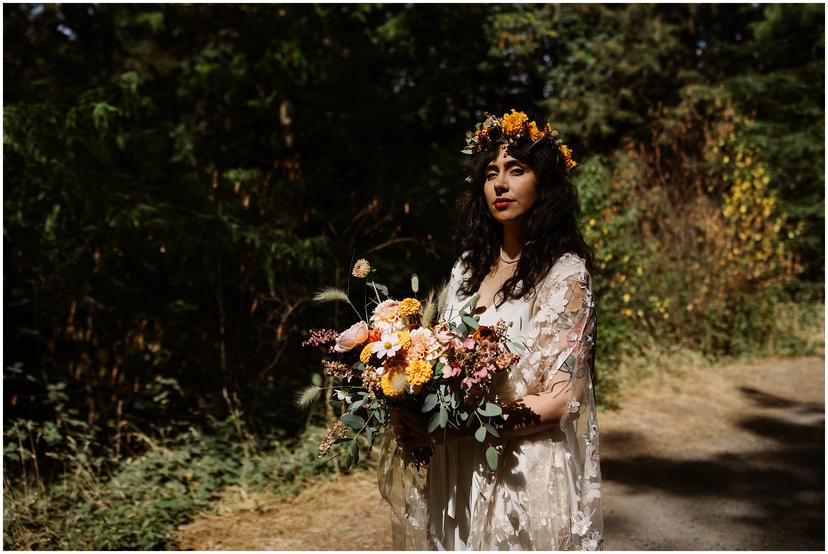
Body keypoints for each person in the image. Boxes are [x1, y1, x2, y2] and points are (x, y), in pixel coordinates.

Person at [377, 109, 603, 551]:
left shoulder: (565, 275)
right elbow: (441, 359)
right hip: (456, 470)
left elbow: (561, 401)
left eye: (516, 170)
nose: (500, 184)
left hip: (524, 471)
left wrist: (452, 429)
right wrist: (409, 395)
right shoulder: (466, 269)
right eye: (490, 173)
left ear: (545, 183)